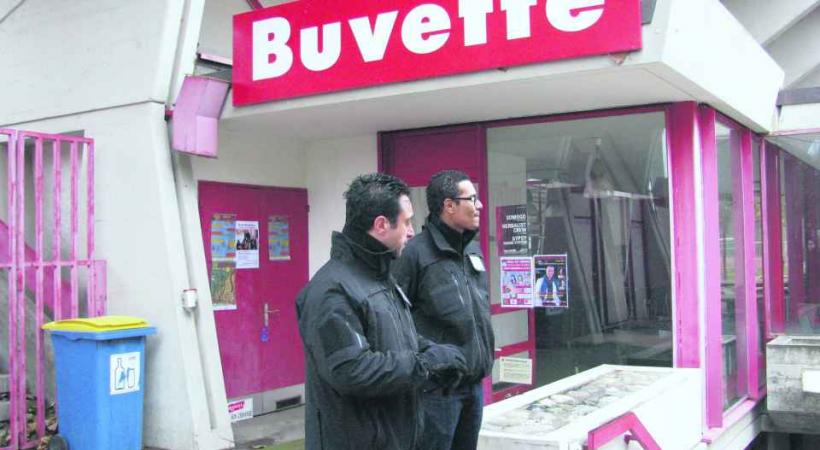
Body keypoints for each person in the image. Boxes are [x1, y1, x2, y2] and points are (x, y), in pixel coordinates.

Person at [296, 173, 468, 450]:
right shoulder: (331, 291)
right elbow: (352, 370)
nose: (412, 231)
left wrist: (437, 356)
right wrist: (425, 365)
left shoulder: (380, 277)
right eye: (407, 221)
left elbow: (392, 338)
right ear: (381, 225)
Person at [393, 170, 495, 450]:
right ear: (449, 206)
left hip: (473, 386)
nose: (479, 205)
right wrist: (429, 361)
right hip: (436, 391)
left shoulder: (472, 251)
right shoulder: (414, 254)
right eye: (472, 198)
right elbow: (395, 320)